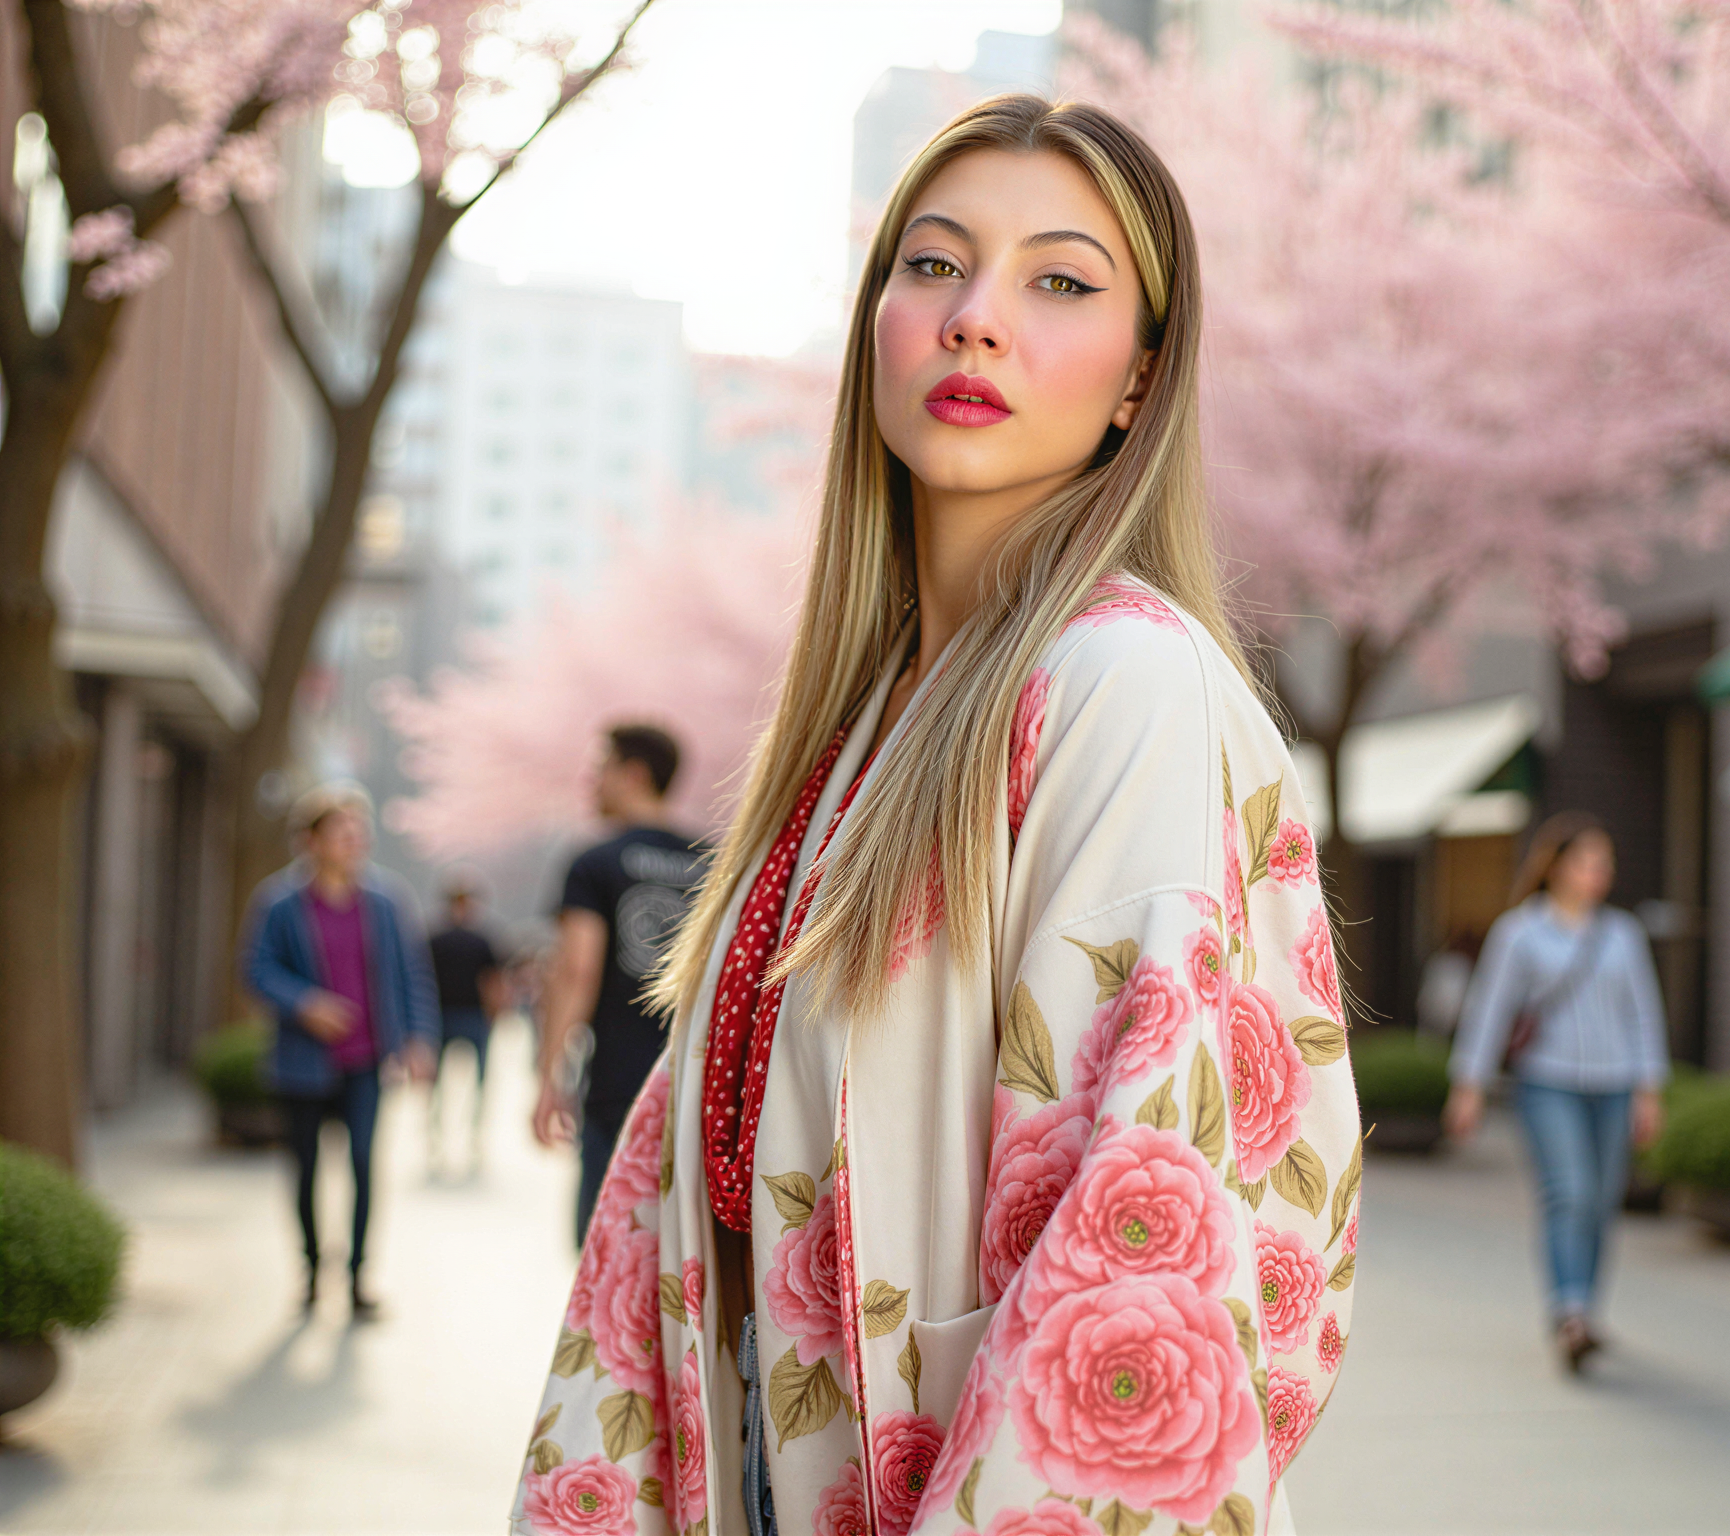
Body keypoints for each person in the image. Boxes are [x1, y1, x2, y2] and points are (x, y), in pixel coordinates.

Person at [512, 97, 1361, 1536]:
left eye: (1061, 281)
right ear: (875, 328)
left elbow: (1139, 1215)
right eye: (934, 265)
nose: (976, 320)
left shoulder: (1124, 681)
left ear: (1139, 382)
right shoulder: (863, 728)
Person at [1443, 811, 1670, 1372]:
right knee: (1568, 1191)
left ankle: (1585, 1311)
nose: (1601, 872)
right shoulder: (1520, 932)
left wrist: (1650, 1089)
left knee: (1599, 1201)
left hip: (1615, 1085)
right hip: (1548, 1083)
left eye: (1605, 862)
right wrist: (1467, 1084)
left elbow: (1643, 1013)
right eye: (1589, 861)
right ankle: (1569, 1311)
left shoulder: (1622, 934)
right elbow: (1489, 1011)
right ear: (1558, 868)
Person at [240, 783, 439, 1318]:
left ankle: (357, 1278)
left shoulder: (387, 900)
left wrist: (420, 1039)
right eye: (341, 830)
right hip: (303, 1063)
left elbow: (411, 973)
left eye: (359, 830)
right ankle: (310, 1270)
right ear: (311, 840)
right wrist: (306, 1003)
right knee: (305, 1169)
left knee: (362, 1165)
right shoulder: (279, 902)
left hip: (368, 1060)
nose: (354, 840)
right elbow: (256, 969)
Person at [532, 724, 712, 1244]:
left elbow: (577, 971)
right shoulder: (716, 861)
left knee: (603, 1252)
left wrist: (549, 1077)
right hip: (694, 1086)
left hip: (617, 1086)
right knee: (675, 1258)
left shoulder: (595, 861)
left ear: (634, 774)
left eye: (601, 769)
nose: (592, 783)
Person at [427, 879, 504, 1177]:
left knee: (478, 1084)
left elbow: (493, 981)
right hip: (445, 1016)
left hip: (469, 1016)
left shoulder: (479, 940)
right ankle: (437, 1138)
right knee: (441, 1086)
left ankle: (473, 1138)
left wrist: (494, 1012)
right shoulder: (437, 940)